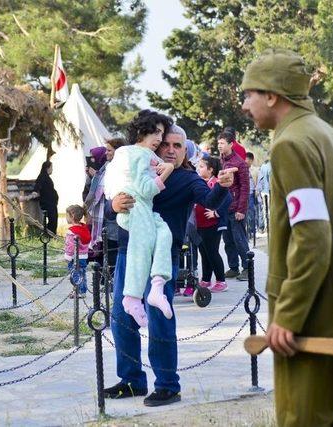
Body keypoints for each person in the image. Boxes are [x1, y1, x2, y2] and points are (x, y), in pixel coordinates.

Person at [241, 48, 333, 426]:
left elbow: (312, 237)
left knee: (306, 419)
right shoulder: (326, 134)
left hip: (310, 323)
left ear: (272, 95)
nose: (245, 104)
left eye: (250, 93)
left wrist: (289, 314)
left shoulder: (290, 145)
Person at [103, 114, 236, 407]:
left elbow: (210, 201)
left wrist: (223, 185)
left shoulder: (187, 180)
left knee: (159, 320)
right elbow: (112, 206)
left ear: (186, 151)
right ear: (156, 145)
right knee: (121, 319)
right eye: (166, 144)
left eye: (178, 145)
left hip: (162, 258)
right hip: (129, 253)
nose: (172, 150)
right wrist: (113, 205)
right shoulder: (136, 167)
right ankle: (131, 380)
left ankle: (167, 385)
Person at [104, 110, 176, 326]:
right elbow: (145, 189)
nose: (159, 139)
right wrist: (167, 171)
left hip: (143, 208)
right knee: (141, 249)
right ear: (142, 131)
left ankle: (157, 286)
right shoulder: (134, 153)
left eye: (161, 134)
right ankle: (133, 298)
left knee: (164, 234)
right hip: (135, 207)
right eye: (155, 132)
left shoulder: (147, 155)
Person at [84, 137, 125, 272]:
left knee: (113, 248)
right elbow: (93, 191)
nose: (106, 153)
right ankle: (105, 278)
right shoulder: (104, 168)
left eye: (109, 150)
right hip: (102, 214)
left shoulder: (121, 169)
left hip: (115, 215)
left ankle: (111, 280)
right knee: (106, 248)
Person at [217, 131, 250, 281]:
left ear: (231, 144)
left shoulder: (240, 163)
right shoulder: (221, 160)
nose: (219, 146)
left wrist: (241, 209)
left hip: (236, 207)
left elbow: (245, 187)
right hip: (224, 208)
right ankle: (234, 267)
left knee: (239, 239)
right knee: (228, 239)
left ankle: (247, 267)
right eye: (218, 143)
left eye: (222, 143)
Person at [195, 156, 231, 293]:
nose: (199, 169)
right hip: (201, 225)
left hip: (212, 225)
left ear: (211, 170)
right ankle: (206, 279)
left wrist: (216, 213)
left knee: (212, 252)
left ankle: (221, 281)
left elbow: (228, 198)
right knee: (204, 252)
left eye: (202, 167)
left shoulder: (216, 183)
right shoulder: (201, 182)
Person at [64, 205, 91, 298]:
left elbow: (70, 246)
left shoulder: (72, 231)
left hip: (75, 257)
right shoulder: (84, 228)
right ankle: (82, 290)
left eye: (67, 215)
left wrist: (68, 256)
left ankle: (78, 291)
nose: (66, 217)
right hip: (84, 256)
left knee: (75, 274)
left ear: (72, 216)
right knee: (82, 274)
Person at [27, 161, 59, 234]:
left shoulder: (46, 176)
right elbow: (38, 184)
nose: (52, 169)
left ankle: (50, 233)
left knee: (53, 219)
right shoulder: (42, 176)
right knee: (52, 219)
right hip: (47, 202)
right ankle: (49, 234)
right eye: (51, 167)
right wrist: (34, 192)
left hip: (51, 202)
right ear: (47, 168)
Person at [245, 152, 260, 239]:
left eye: (247, 159)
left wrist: (257, 191)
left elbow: (258, 182)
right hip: (244, 194)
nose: (245, 161)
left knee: (252, 213)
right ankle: (247, 232)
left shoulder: (255, 170)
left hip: (251, 194)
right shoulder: (241, 169)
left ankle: (252, 231)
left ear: (251, 160)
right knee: (245, 214)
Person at [257, 158, 272, 233]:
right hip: (270, 190)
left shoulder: (262, 167)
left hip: (263, 191)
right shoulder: (271, 166)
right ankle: (270, 226)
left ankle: (266, 227)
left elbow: (260, 180)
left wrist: (259, 190)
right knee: (270, 209)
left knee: (264, 209)